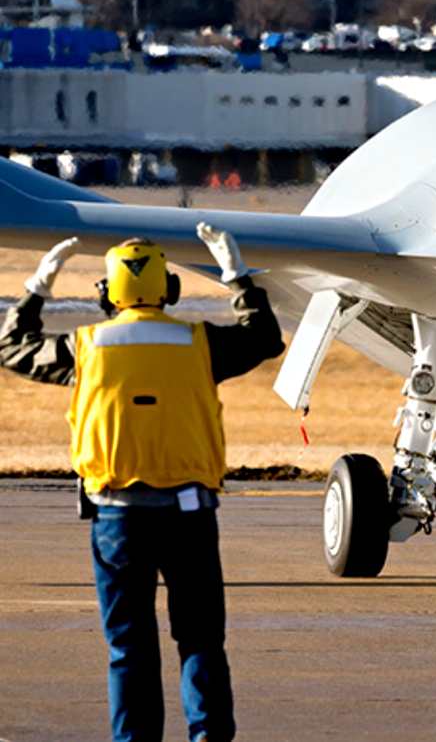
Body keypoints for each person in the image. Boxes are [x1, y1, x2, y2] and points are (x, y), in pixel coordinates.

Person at [0, 223, 286, 742]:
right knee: (200, 640)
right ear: (169, 290)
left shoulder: (87, 347)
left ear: (107, 293)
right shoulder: (198, 343)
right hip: (189, 514)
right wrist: (237, 277)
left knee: (128, 647)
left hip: (117, 516)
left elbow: (12, 347)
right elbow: (264, 338)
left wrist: (38, 287)